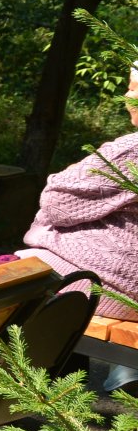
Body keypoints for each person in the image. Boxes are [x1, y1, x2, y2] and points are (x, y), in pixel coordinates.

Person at [15, 61, 138, 390]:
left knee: (2, 277)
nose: (126, 94)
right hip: (122, 279)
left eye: (133, 88)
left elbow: (57, 202)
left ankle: (0, 400)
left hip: (122, 289)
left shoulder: (132, 150)